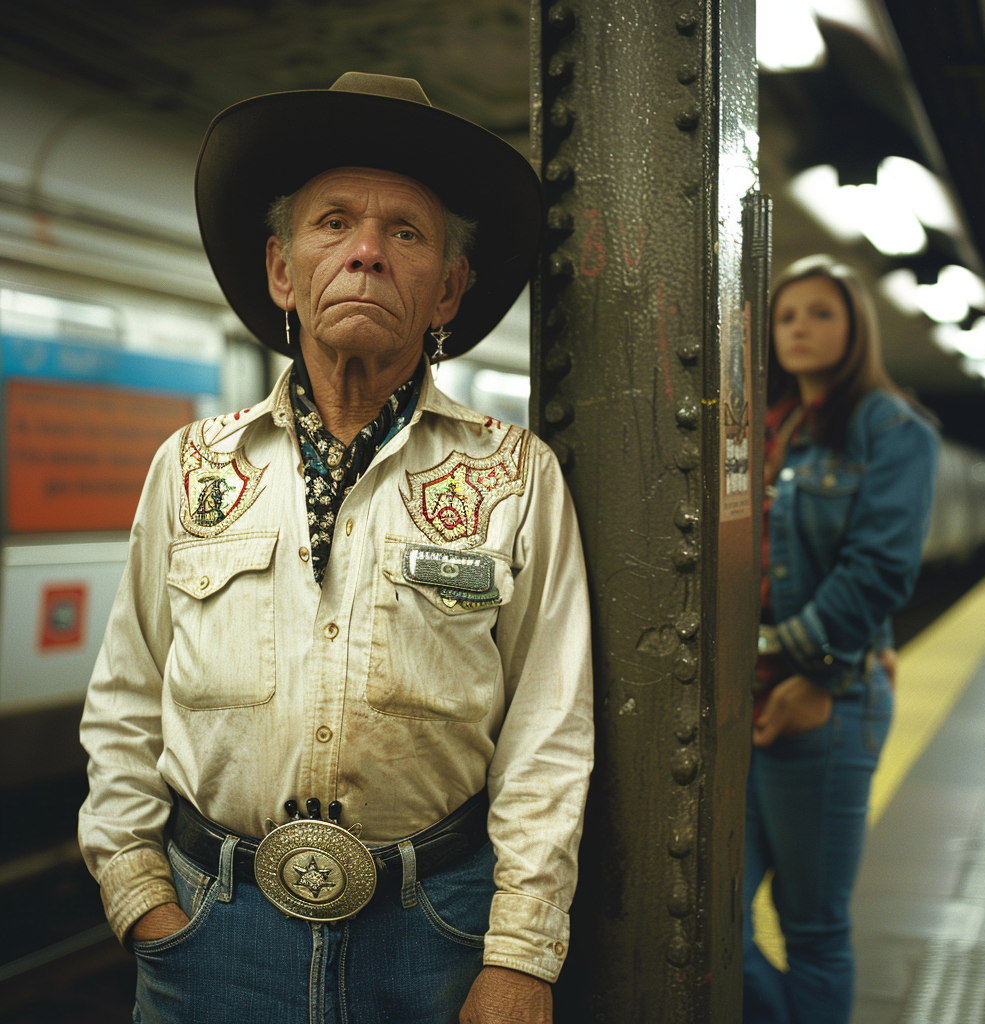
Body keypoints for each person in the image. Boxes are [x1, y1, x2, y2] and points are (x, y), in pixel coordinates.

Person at [78, 72, 594, 1024]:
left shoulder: (517, 477)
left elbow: (548, 733)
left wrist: (521, 954)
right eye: (333, 224)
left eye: (406, 232)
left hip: (434, 932)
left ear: (448, 287)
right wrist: (140, 893)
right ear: (282, 271)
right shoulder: (192, 465)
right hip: (210, 931)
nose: (365, 253)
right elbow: (125, 694)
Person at [742, 256, 938, 1024]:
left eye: (822, 313)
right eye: (788, 315)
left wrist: (817, 673)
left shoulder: (892, 428)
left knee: (812, 928)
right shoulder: (766, 422)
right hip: (754, 694)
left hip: (828, 700)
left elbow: (881, 566)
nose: (800, 327)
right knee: (713, 912)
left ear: (856, 325)